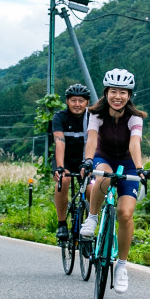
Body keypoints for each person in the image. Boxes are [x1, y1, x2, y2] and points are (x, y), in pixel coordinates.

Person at [79, 68, 150, 294]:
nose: (118, 96)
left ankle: (122, 266)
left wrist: (141, 169)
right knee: (102, 178)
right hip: (102, 157)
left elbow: (135, 143)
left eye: (123, 92)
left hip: (128, 163)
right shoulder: (95, 113)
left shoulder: (134, 117)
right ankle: (93, 219)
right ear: (106, 93)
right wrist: (87, 160)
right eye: (113, 91)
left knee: (125, 214)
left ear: (129, 95)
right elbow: (92, 139)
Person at [51, 83, 91, 246]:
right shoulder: (60, 117)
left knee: (92, 188)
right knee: (64, 180)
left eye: (81, 101)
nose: (77, 104)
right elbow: (59, 142)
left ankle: (90, 223)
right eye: (73, 100)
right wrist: (60, 168)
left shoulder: (92, 118)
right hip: (65, 158)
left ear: (87, 102)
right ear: (67, 101)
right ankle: (62, 224)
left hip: (85, 159)